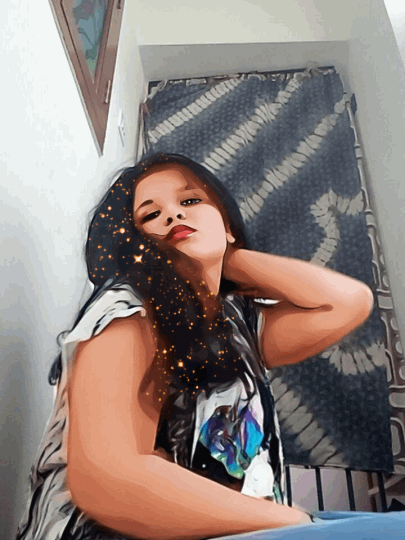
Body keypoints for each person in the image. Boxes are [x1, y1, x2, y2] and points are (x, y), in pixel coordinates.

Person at [16, 153, 396, 540]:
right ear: (137, 243)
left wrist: (229, 259)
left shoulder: (235, 322)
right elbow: (109, 481)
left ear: (227, 224)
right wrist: (291, 521)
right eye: (151, 215)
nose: (172, 215)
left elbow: (346, 303)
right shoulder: (128, 310)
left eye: (190, 200)